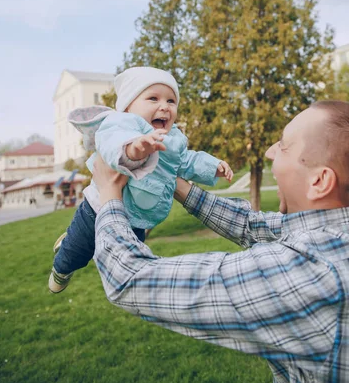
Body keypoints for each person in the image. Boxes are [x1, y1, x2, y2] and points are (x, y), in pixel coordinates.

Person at [92, 100, 349, 383]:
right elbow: (253, 226)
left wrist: (109, 192)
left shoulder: (307, 277)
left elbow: (130, 278)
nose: (269, 152)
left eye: (284, 146)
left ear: (319, 181)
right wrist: (174, 182)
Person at [49, 66, 233, 294]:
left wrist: (213, 166)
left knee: (126, 265)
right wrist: (134, 148)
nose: (164, 106)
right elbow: (112, 143)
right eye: (153, 98)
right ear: (128, 106)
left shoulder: (173, 138)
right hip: (97, 209)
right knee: (77, 253)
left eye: (171, 101)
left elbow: (186, 161)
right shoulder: (121, 124)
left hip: (138, 221)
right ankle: (61, 268)